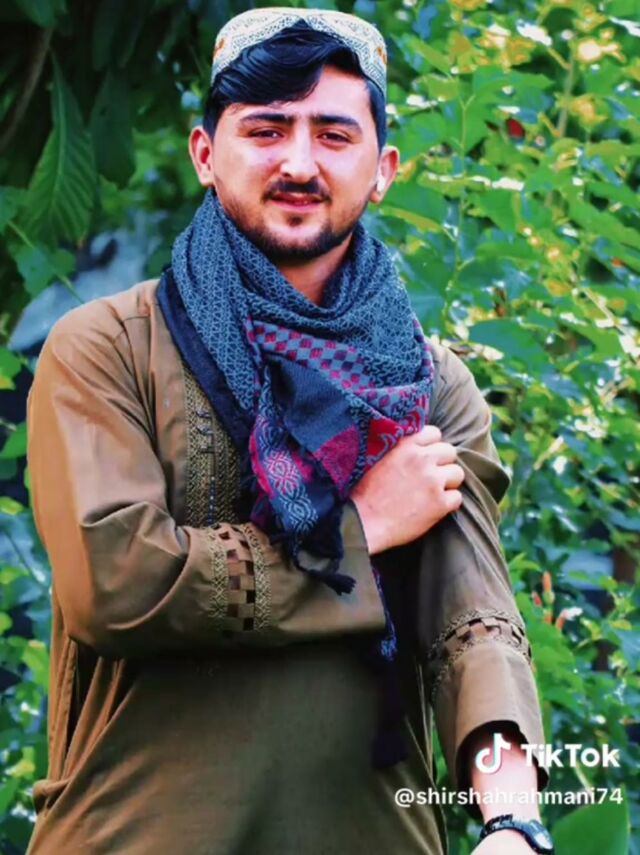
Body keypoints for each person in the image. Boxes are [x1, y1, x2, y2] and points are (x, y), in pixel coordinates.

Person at [26, 8, 553, 855]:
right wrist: (359, 532)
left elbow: (473, 619)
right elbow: (116, 583)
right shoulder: (108, 347)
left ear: (383, 170)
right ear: (206, 154)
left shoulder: (425, 382)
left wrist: (512, 820)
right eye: (267, 130)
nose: (300, 163)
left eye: (334, 135)